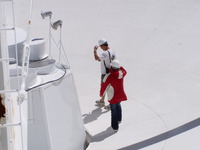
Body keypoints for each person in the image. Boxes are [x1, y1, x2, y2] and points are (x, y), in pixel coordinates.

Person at [99, 59, 127, 132]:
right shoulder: (121, 73)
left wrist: (101, 94)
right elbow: (125, 71)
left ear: (111, 67)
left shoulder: (109, 76)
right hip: (120, 95)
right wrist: (119, 66)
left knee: (113, 110)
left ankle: (115, 127)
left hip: (113, 97)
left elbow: (103, 86)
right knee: (119, 106)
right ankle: (119, 119)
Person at [93, 38, 116, 107]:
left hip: (105, 73)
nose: (101, 48)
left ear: (103, 45)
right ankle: (102, 101)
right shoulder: (112, 51)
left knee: (105, 87)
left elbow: (96, 58)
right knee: (108, 87)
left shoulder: (105, 53)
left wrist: (94, 51)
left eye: (101, 47)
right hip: (111, 72)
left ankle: (111, 103)